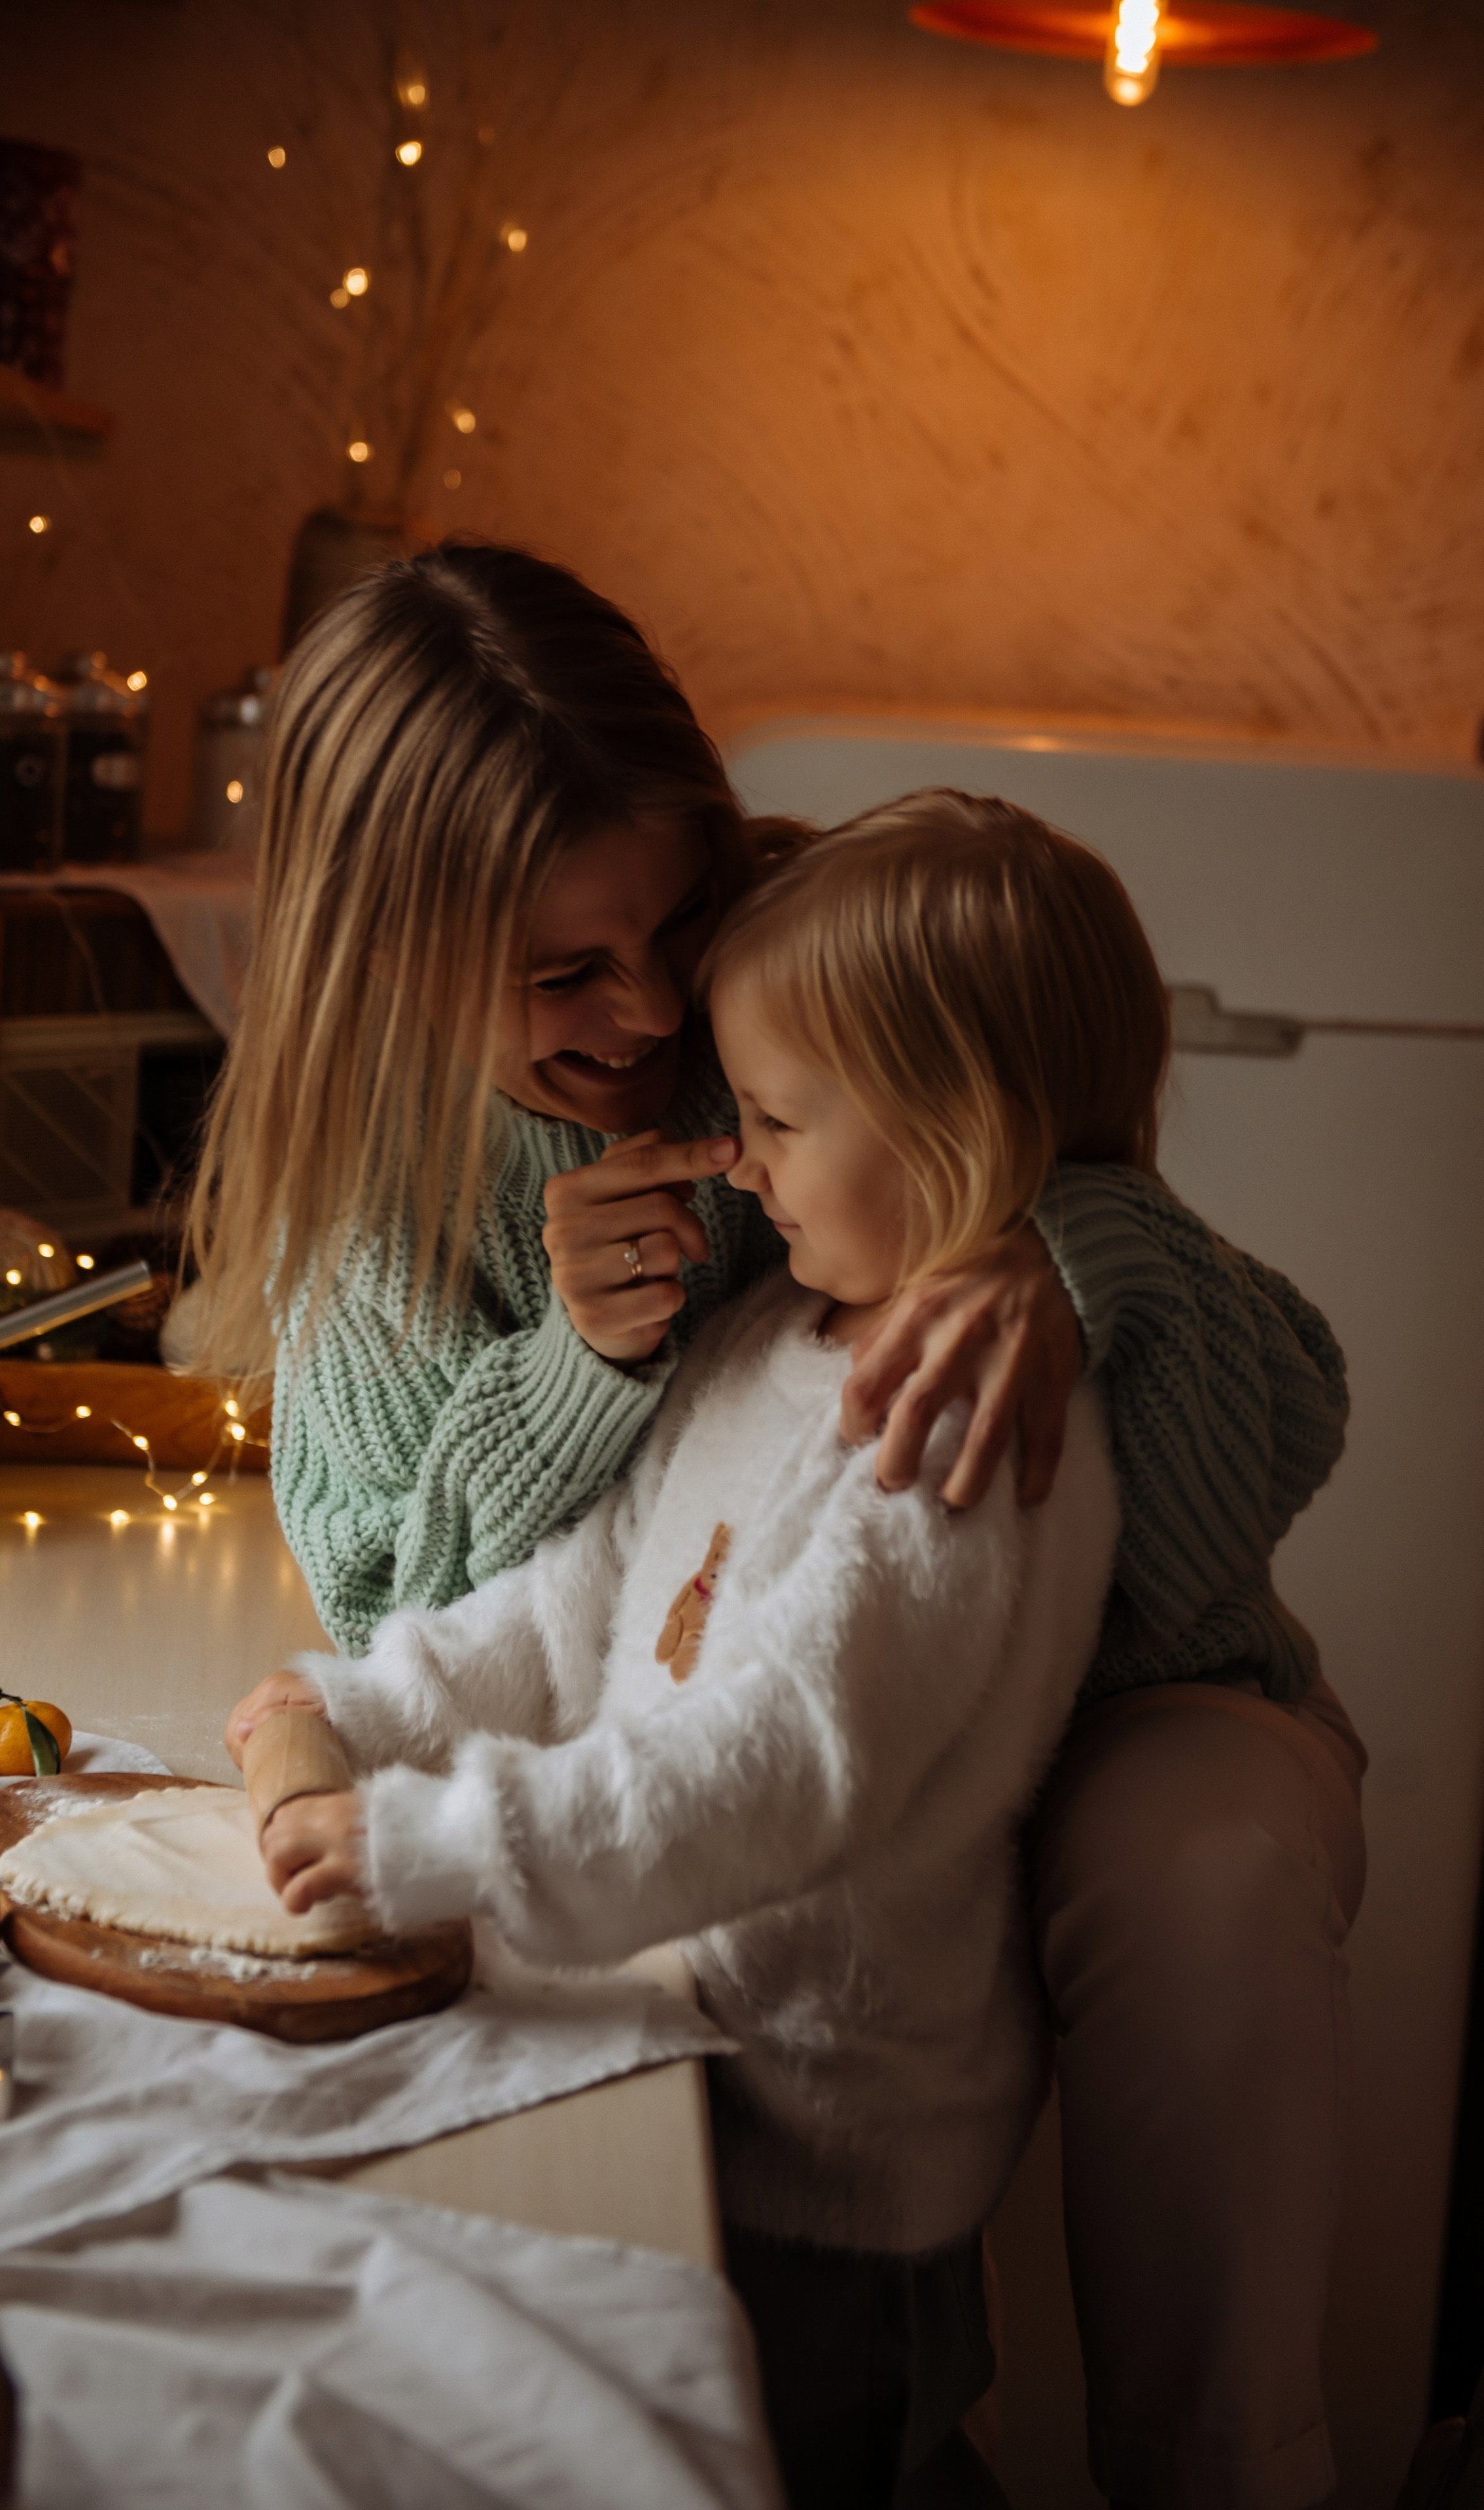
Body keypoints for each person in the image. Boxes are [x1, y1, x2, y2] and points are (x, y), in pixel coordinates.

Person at [188, 544, 1364, 2510]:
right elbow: (435, 1598)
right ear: (382, 951)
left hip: (1083, 1685)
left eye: (678, 918)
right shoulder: (376, 1203)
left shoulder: (819, 940)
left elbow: (1291, 1388)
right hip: (725, 1751)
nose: (654, 1008)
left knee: (1190, 1877)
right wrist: (585, 1361)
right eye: (565, 970)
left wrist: (1071, 1256)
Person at [228, 796, 1160, 2503]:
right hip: (686, 2058)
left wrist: (438, 1845)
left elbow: (779, 1765)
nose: (740, 1158)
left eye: (784, 1119)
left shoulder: (956, 1437)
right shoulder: (759, 1338)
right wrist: (362, 1709)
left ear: (959, 1132)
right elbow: (576, 1599)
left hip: (834, 2163)